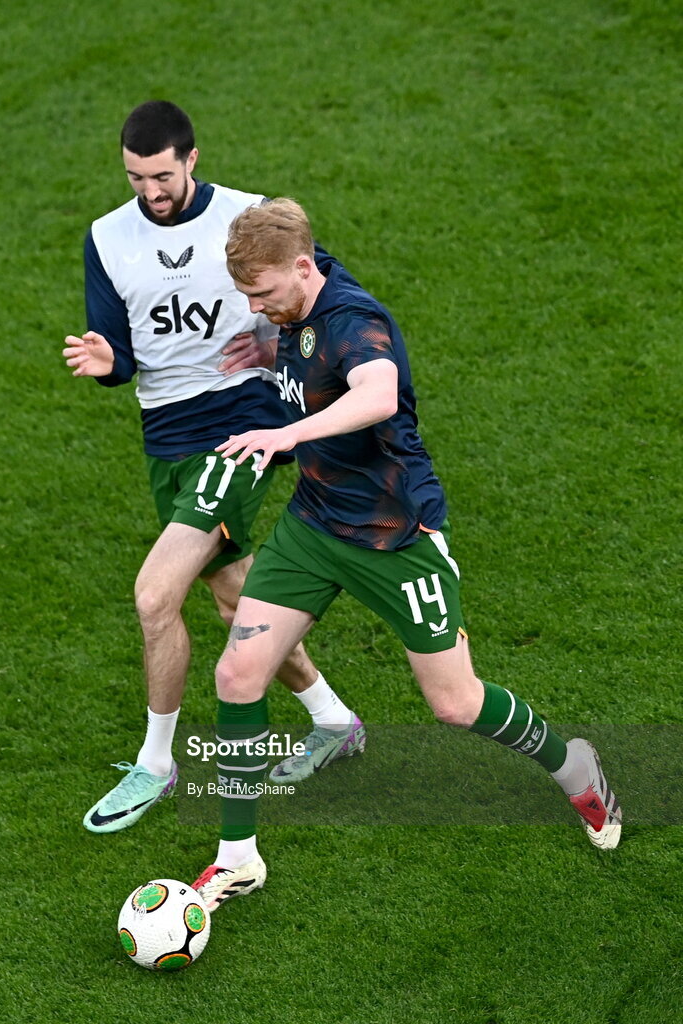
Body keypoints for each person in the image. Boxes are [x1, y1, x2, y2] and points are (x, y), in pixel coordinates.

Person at [190, 197, 622, 910]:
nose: (255, 307)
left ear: (302, 269)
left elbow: (378, 394)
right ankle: (238, 858)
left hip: (396, 537)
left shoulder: (357, 321)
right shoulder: (299, 299)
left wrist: (286, 436)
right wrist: (265, 353)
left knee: (455, 703)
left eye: (262, 295)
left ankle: (572, 763)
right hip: (315, 524)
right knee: (238, 673)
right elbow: (301, 347)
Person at [63, 103, 365, 834]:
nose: (151, 191)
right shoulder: (107, 238)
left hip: (241, 428)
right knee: (236, 601)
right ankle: (335, 719)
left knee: (153, 595)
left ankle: (156, 765)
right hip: (165, 441)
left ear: (191, 159)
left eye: (162, 175)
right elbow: (123, 351)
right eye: (136, 178)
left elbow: (332, 303)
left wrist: (274, 355)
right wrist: (109, 365)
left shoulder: (249, 219)